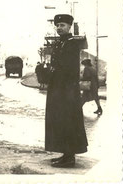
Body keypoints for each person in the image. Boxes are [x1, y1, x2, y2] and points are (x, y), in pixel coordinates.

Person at [45, 14, 88, 168]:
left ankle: (70, 158)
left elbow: (68, 68)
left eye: (62, 25)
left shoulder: (71, 44)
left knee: (68, 121)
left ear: (70, 27)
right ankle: (65, 154)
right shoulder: (60, 44)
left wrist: (54, 72)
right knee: (60, 121)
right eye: (57, 25)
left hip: (68, 90)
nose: (59, 28)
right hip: (58, 88)